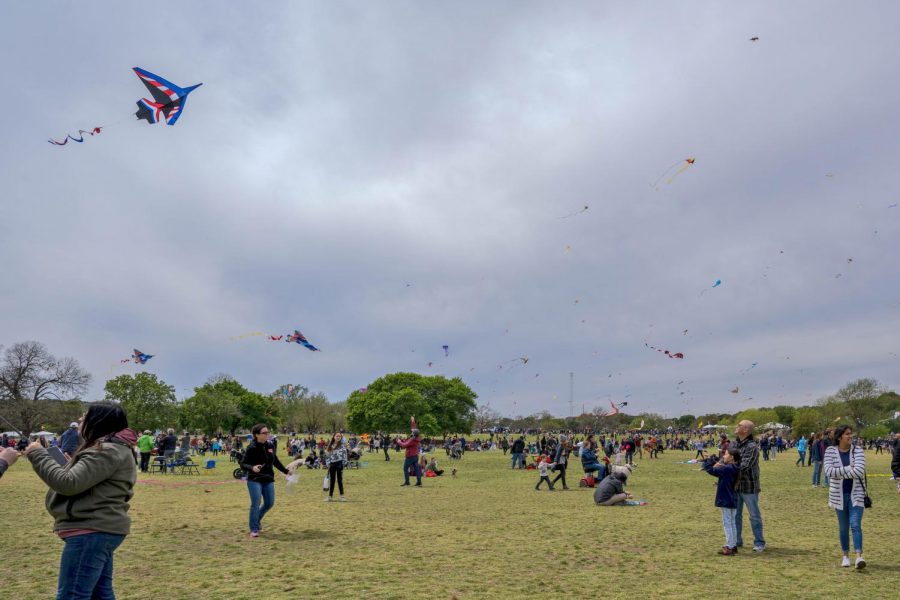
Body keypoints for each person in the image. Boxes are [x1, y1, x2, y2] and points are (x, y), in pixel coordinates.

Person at [24, 405, 136, 600]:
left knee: (72, 595)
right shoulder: (111, 448)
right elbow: (83, 482)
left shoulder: (105, 451)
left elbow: (68, 484)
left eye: (84, 417)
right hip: (99, 530)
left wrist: (38, 453)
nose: (80, 421)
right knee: (100, 594)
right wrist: (68, 465)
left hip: (91, 531)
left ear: (98, 422)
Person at [824, 425, 867, 569]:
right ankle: (845, 556)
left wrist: (840, 472)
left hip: (857, 494)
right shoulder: (830, 451)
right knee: (843, 527)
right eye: (847, 434)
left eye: (851, 434)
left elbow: (859, 471)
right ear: (839, 436)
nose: (850, 436)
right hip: (838, 495)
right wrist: (849, 468)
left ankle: (859, 557)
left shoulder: (858, 450)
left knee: (855, 525)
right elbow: (829, 471)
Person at [240, 423, 291, 538]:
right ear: (257, 435)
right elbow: (243, 463)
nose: (267, 434)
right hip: (254, 479)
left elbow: (275, 460)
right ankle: (254, 528)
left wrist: (286, 471)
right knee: (256, 503)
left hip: (268, 479)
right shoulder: (251, 448)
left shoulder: (270, 445)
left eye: (268, 432)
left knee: (269, 503)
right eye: (264, 433)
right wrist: (252, 468)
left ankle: (256, 519)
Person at [701, 448, 742, 555]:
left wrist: (708, 459)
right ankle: (732, 545)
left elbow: (710, 469)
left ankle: (729, 546)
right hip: (732, 498)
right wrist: (716, 460)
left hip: (726, 498)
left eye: (726, 454)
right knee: (732, 523)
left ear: (732, 457)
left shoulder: (727, 468)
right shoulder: (735, 467)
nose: (724, 456)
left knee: (727, 523)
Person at [733, 420, 765, 552]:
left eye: (739, 425)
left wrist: (726, 467)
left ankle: (759, 542)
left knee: (754, 515)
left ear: (746, 430)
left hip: (749, 487)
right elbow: (726, 458)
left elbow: (744, 466)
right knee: (736, 515)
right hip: (735, 486)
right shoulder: (734, 443)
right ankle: (736, 540)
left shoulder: (752, 446)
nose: (737, 427)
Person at [324, 432, 348, 502]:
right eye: (337, 436)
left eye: (339, 436)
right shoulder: (330, 445)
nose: (338, 437)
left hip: (340, 463)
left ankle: (342, 496)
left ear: (341, 438)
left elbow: (345, 454)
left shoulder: (342, 445)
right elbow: (327, 456)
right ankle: (330, 496)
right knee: (332, 480)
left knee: (340, 480)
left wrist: (344, 463)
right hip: (332, 464)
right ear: (334, 437)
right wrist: (328, 464)